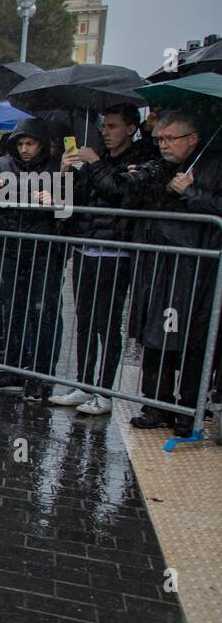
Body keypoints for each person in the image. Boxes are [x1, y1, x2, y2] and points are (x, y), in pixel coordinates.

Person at [125, 110, 222, 437]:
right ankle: (156, 404)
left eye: (170, 139)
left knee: (193, 338)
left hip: (197, 268)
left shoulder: (214, 164)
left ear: (192, 139)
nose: (163, 145)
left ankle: (188, 409)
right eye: (160, 139)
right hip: (160, 262)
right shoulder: (160, 165)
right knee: (156, 334)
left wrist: (191, 192)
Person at [47, 104, 143, 415]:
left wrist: (96, 162)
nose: (106, 132)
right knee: (85, 322)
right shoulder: (93, 160)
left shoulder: (137, 158)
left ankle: (104, 391)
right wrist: (65, 172)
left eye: (113, 126)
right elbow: (70, 201)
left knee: (107, 324)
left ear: (130, 128)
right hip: (85, 249)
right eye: (104, 126)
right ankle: (83, 384)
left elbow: (119, 192)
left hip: (115, 253)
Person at [0, 117, 65, 400]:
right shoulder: (1, 166)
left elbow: (69, 215)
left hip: (43, 253)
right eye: (21, 143)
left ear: (42, 144)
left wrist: (55, 202)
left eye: (31, 143)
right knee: (11, 309)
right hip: (9, 250)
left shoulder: (56, 169)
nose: (25, 149)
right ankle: (13, 367)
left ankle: (41, 373)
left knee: (42, 313)